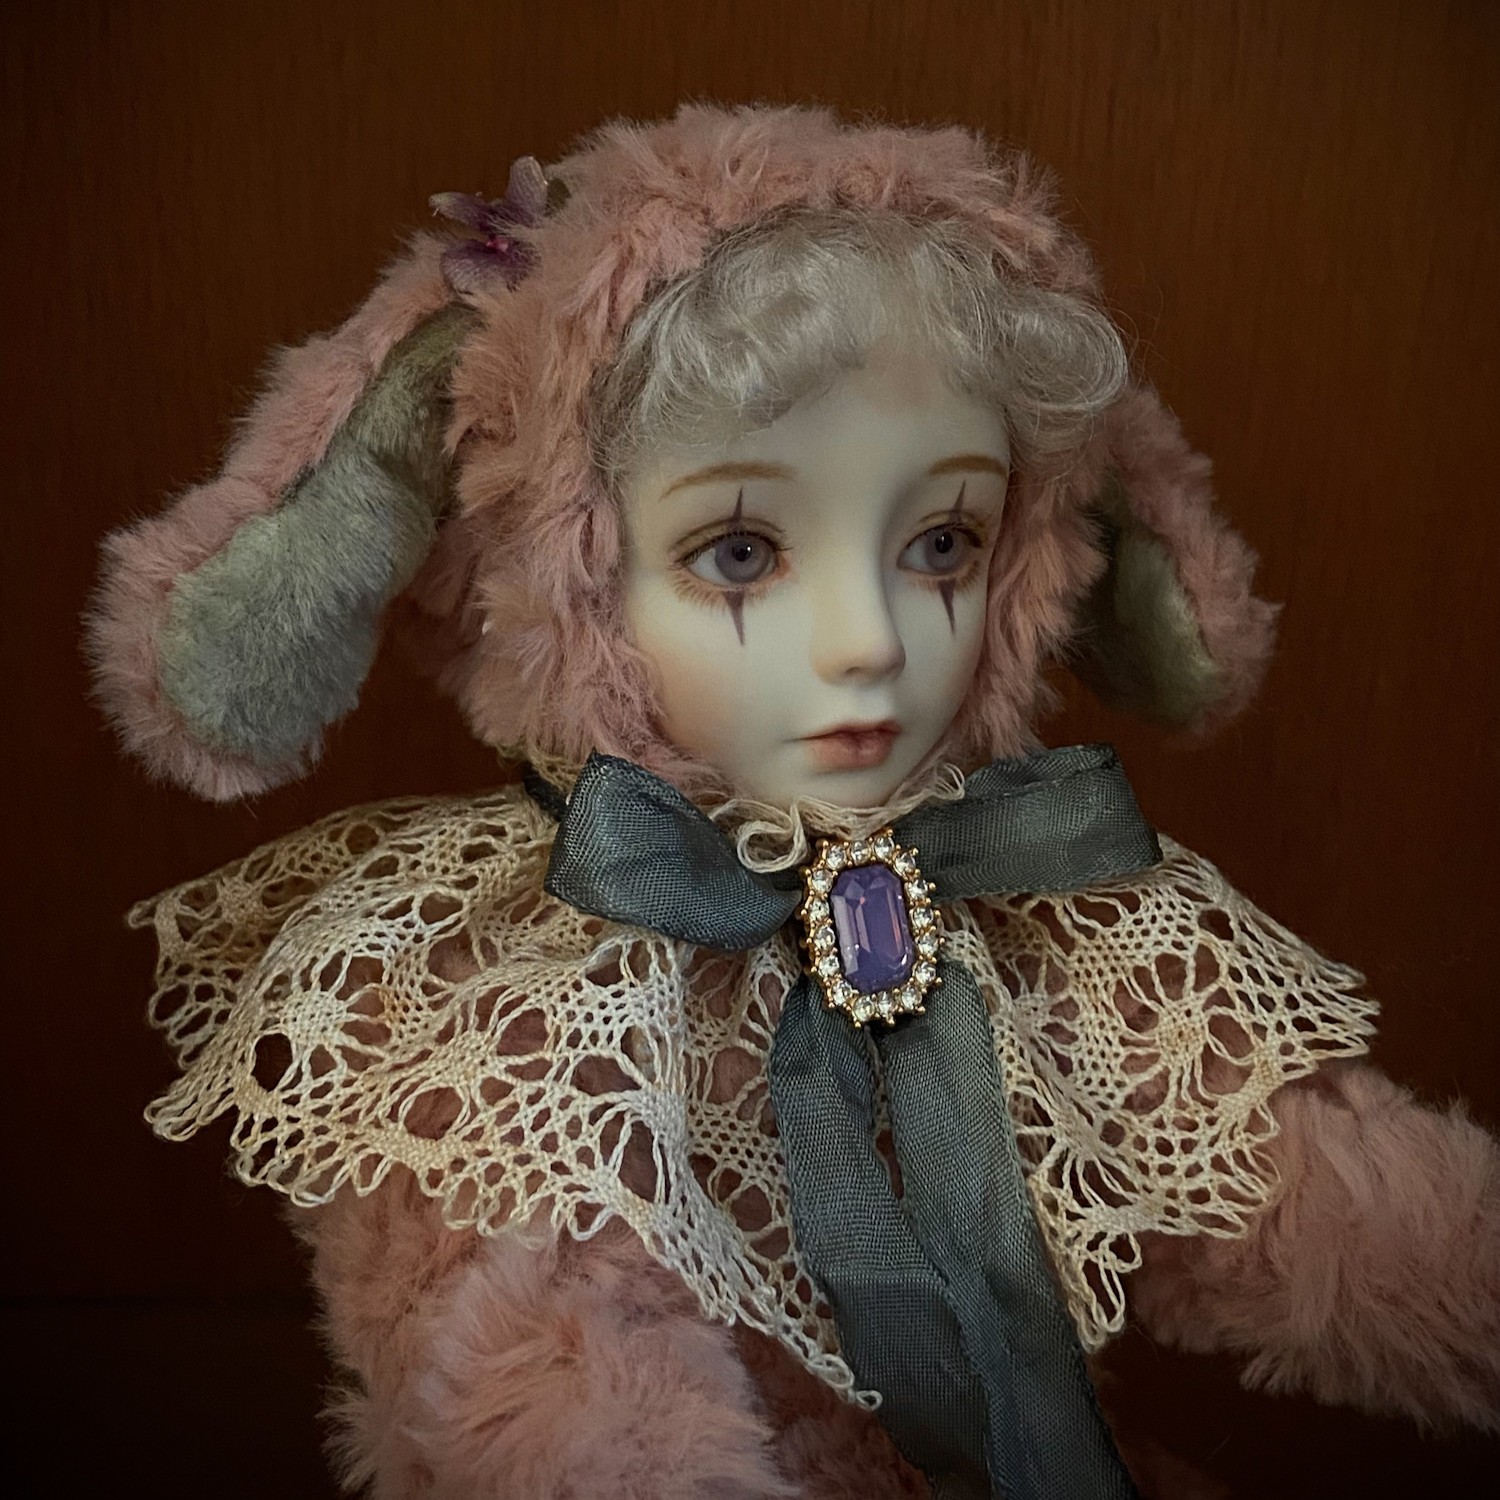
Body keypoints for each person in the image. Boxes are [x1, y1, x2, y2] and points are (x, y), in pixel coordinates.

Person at [92, 105, 1498, 1498]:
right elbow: (533, 1365)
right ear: (568, 572)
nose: (868, 643)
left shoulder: (1039, 920)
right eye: (742, 551)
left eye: (942, 542)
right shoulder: (508, 1000)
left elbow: (1247, 1169)